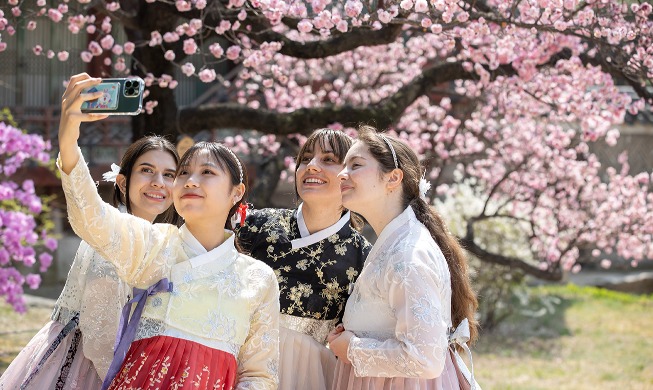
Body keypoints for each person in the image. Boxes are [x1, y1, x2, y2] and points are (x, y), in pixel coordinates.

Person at [56, 73, 279, 389]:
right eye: (184, 173)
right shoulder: (154, 243)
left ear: (237, 192)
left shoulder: (259, 279)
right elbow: (90, 217)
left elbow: (260, 375)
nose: (189, 181)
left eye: (207, 173)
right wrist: (68, 137)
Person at [0, 136, 179, 390]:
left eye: (169, 174)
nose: (158, 183)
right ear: (123, 182)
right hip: (88, 365)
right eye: (147, 170)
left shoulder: (161, 239)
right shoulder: (111, 234)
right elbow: (100, 333)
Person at [328, 125, 479, 389]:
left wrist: (353, 348)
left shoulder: (409, 255)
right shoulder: (394, 243)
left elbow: (424, 358)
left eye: (356, 165)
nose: (342, 174)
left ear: (393, 178)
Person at [235, 129, 372, 390]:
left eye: (328, 160)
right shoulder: (255, 225)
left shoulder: (363, 257)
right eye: (306, 159)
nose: (312, 166)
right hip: (242, 361)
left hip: (309, 374)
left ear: (350, 176)